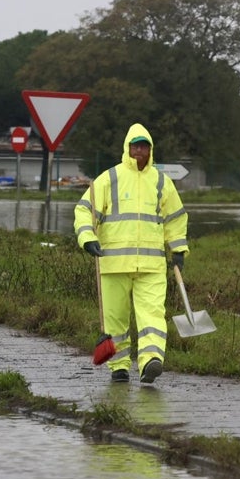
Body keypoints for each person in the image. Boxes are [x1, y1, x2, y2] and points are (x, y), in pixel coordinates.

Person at [74, 123, 189, 384]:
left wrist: (178, 249)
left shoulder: (161, 182)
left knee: (152, 316)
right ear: (127, 148)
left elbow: (175, 217)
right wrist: (87, 237)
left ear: (151, 150)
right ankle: (119, 367)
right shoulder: (109, 178)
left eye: (144, 146)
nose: (139, 150)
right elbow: (84, 210)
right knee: (115, 320)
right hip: (112, 263)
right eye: (135, 146)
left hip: (151, 265)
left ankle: (151, 361)